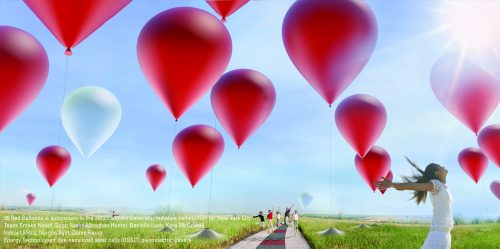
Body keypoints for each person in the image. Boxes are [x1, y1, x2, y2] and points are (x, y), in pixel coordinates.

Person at [375, 158, 453, 249]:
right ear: (437, 173)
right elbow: (416, 186)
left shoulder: (443, 187)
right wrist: (393, 185)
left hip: (445, 233)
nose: (444, 167)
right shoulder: (436, 184)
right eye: (441, 167)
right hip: (439, 234)